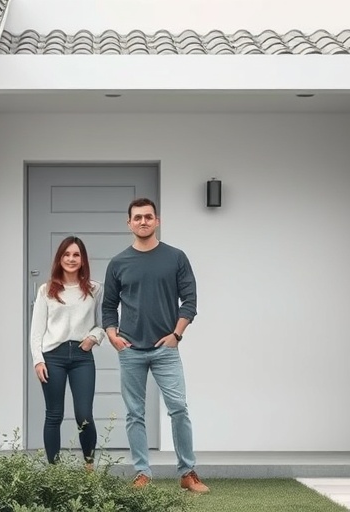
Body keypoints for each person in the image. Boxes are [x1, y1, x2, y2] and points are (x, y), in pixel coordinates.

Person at [102, 197, 209, 494]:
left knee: (178, 408)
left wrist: (177, 335)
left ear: (157, 220)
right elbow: (109, 306)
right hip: (130, 350)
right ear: (129, 223)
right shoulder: (118, 263)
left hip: (166, 349)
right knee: (134, 413)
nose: (143, 222)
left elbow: (190, 301)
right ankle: (142, 473)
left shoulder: (175, 257)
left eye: (148, 217)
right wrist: (113, 335)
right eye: (137, 218)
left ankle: (188, 472)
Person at [30, 236, 105, 467]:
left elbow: (103, 324)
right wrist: (37, 360)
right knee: (54, 415)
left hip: (82, 358)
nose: (71, 259)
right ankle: (54, 471)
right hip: (53, 357)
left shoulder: (94, 289)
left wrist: (93, 338)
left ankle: (89, 467)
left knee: (84, 415)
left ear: (82, 260)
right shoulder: (47, 290)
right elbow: (37, 330)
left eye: (76, 255)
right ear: (59, 258)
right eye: (66, 254)